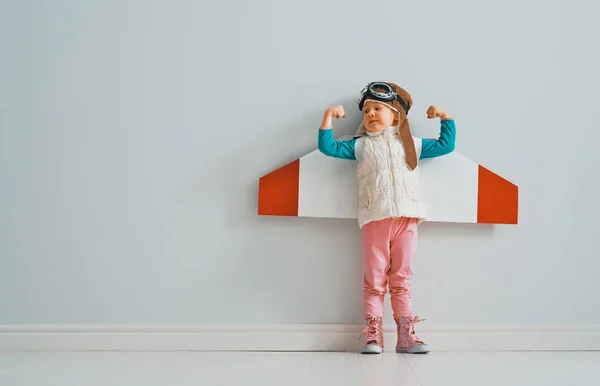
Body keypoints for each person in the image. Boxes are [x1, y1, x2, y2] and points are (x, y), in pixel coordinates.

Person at [317, 81, 456, 354]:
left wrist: (445, 117)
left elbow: (445, 146)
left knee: (401, 277)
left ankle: (406, 335)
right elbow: (328, 148)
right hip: (375, 219)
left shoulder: (413, 145)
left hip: (407, 218)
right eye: (366, 110)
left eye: (377, 108)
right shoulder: (361, 146)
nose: (370, 114)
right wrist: (327, 118)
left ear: (396, 114)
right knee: (374, 278)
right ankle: (374, 334)